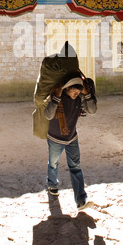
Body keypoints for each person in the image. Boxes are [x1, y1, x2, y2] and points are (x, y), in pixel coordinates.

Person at [44, 72, 97, 210]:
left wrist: (86, 94)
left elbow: (92, 110)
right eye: (73, 90)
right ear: (66, 88)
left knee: (75, 167)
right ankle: (52, 185)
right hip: (55, 138)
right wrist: (56, 97)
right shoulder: (57, 97)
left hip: (72, 137)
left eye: (78, 90)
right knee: (53, 164)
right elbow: (48, 115)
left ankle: (80, 200)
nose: (75, 93)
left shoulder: (79, 98)